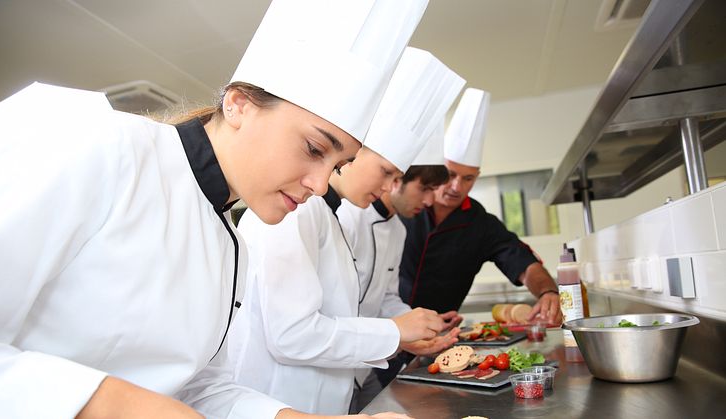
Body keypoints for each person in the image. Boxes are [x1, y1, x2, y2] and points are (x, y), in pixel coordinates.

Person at [0, 1, 429, 418]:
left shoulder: (229, 245)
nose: (318, 184)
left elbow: (202, 390)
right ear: (237, 105)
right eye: (314, 148)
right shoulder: (92, 140)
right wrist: (120, 403)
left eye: (339, 165)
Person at [228, 47, 462, 415]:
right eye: (386, 173)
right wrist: (395, 332)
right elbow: (292, 335)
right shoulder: (295, 211)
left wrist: (407, 328)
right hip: (281, 400)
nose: (388, 188)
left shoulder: (327, 215)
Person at [399, 88, 561, 322]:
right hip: (387, 328)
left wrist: (548, 292)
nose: (456, 186)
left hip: (439, 334)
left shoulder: (481, 224)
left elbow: (525, 264)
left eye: (468, 178)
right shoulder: (407, 206)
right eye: (450, 174)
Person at [337, 120, 467, 414]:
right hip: (337, 362)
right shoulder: (346, 216)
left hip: (361, 369)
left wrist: (421, 322)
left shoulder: (398, 231)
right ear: (396, 180)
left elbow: (385, 298)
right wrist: (398, 334)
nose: (431, 199)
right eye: (425, 188)